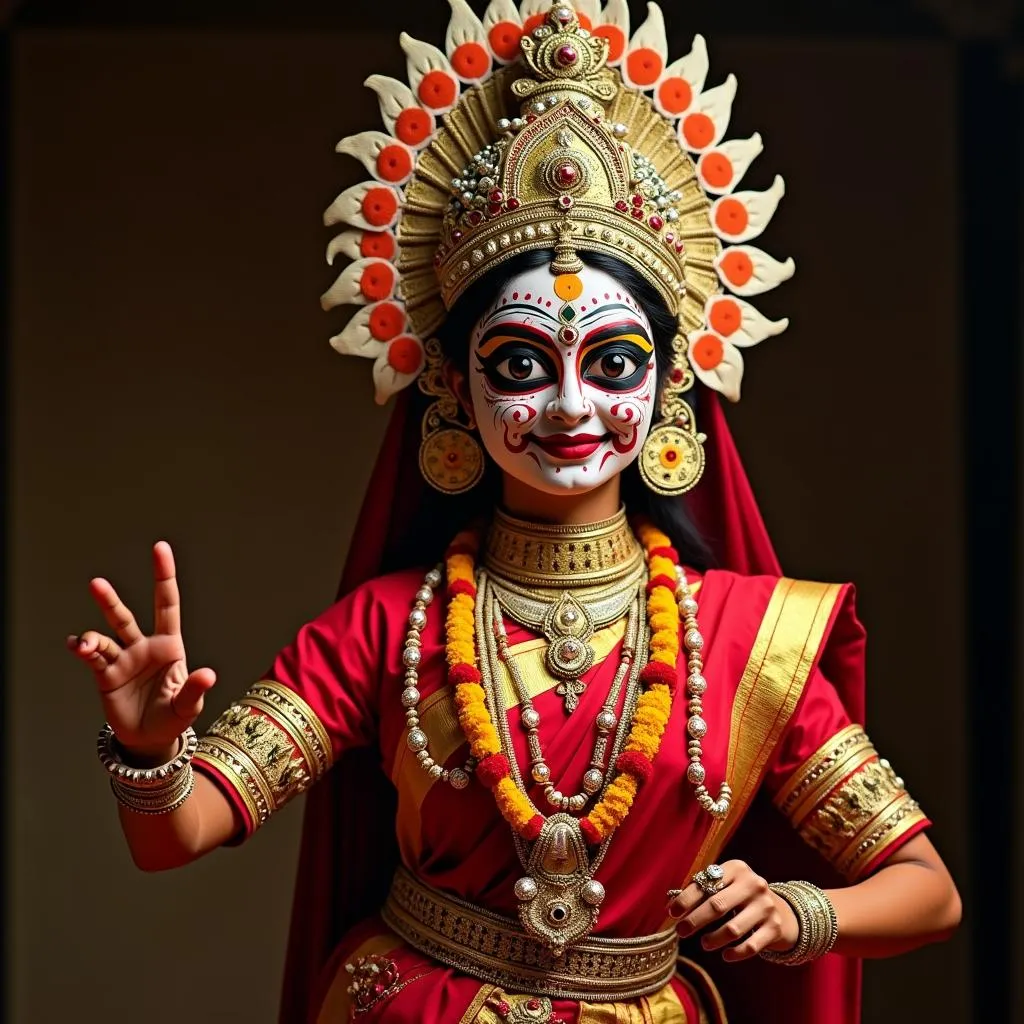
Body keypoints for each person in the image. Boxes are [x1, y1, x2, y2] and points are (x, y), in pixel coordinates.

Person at [68, 3, 961, 1022]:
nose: (572, 407)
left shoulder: (745, 645)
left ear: (671, 382)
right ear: (453, 384)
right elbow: (174, 835)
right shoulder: (390, 628)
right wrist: (148, 750)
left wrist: (803, 914)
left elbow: (928, 890)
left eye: (613, 363)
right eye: (522, 365)